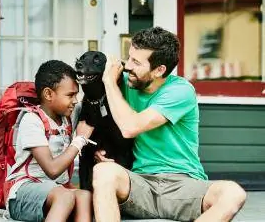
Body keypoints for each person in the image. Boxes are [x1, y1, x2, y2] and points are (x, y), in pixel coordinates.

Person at [90, 27, 247, 222]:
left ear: (159, 70)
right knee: (103, 172)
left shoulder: (180, 91)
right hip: (142, 184)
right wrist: (102, 150)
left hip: (183, 186)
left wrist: (109, 83)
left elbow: (130, 127)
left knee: (233, 193)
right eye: (129, 57)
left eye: (136, 62)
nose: (127, 66)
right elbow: (93, 108)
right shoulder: (127, 80)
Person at [4, 60, 93, 222]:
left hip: (56, 190)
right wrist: (79, 141)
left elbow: (93, 100)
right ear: (48, 94)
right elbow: (51, 169)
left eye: (77, 94)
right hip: (23, 193)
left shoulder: (68, 116)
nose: (75, 101)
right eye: (70, 95)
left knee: (84, 197)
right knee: (65, 197)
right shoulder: (32, 120)